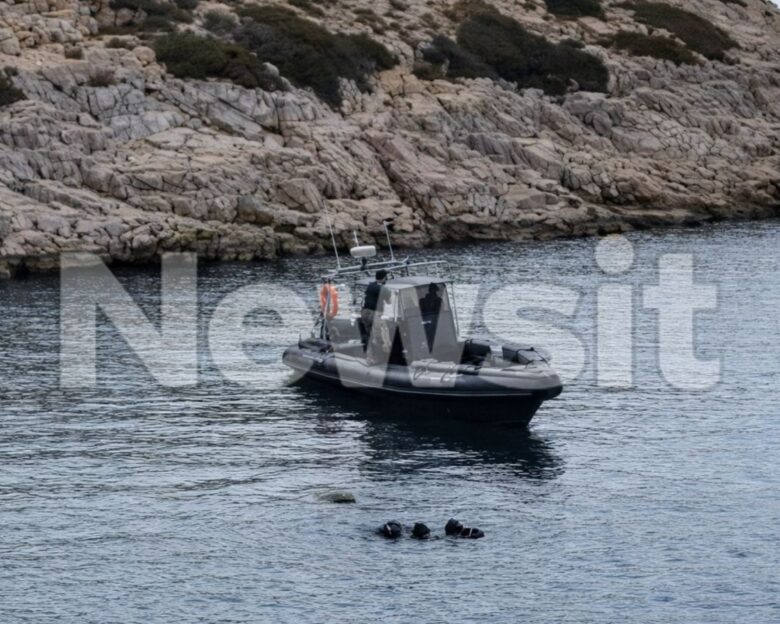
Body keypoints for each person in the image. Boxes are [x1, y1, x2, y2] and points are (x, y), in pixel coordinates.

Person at [361, 270, 391, 364]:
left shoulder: (370, 285)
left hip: (365, 312)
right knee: (379, 337)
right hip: (375, 314)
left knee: (370, 336)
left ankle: (369, 357)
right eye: (386, 277)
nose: (387, 279)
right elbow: (389, 302)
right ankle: (380, 359)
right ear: (384, 278)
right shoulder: (384, 288)